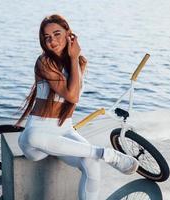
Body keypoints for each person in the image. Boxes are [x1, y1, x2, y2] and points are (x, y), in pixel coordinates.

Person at [16, 14, 139, 200]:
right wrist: (73, 58)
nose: (52, 41)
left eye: (57, 34)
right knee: (32, 137)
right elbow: (72, 96)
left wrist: (74, 59)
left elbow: (74, 96)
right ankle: (107, 154)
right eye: (47, 37)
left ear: (69, 35)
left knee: (91, 165)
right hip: (37, 139)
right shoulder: (44, 62)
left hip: (65, 130)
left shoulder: (80, 62)